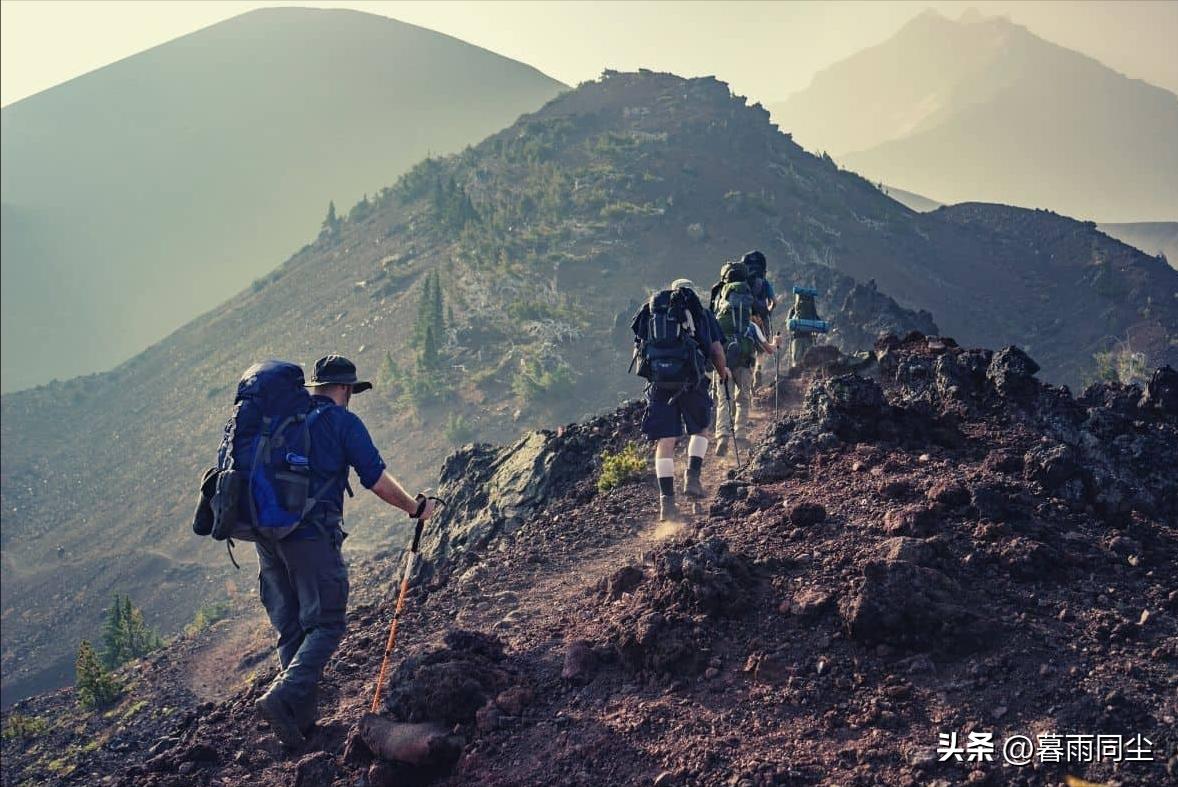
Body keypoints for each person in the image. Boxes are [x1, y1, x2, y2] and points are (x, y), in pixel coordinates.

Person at [253, 354, 437, 747]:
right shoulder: (342, 422)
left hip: (266, 536)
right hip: (310, 535)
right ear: (345, 388)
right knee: (327, 624)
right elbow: (376, 479)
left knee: (293, 627)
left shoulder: (284, 420)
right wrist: (415, 508)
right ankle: (281, 698)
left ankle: (299, 725)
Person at [631, 279, 729, 522]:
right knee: (701, 429)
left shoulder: (650, 313)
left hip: (659, 385)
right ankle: (692, 477)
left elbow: (638, 350)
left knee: (665, 441)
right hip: (691, 381)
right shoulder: (701, 313)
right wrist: (722, 372)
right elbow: (716, 350)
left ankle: (667, 504)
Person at [712, 261, 771, 457]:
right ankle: (740, 435)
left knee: (724, 400)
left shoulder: (720, 304)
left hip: (723, 361)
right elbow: (767, 346)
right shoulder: (749, 319)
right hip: (745, 360)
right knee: (743, 399)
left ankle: (722, 437)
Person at [740, 250, 778, 389]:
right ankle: (758, 370)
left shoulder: (743, 283)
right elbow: (774, 302)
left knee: (747, 347)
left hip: (746, 318)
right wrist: (768, 311)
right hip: (761, 318)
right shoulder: (765, 283)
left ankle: (748, 374)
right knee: (761, 348)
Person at [785, 287, 826, 369]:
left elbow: (788, 325)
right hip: (809, 339)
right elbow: (818, 322)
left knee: (797, 362)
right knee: (809, 362)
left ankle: (797, 374)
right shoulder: (811, 310)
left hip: (797, 339)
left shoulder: (794, 309)